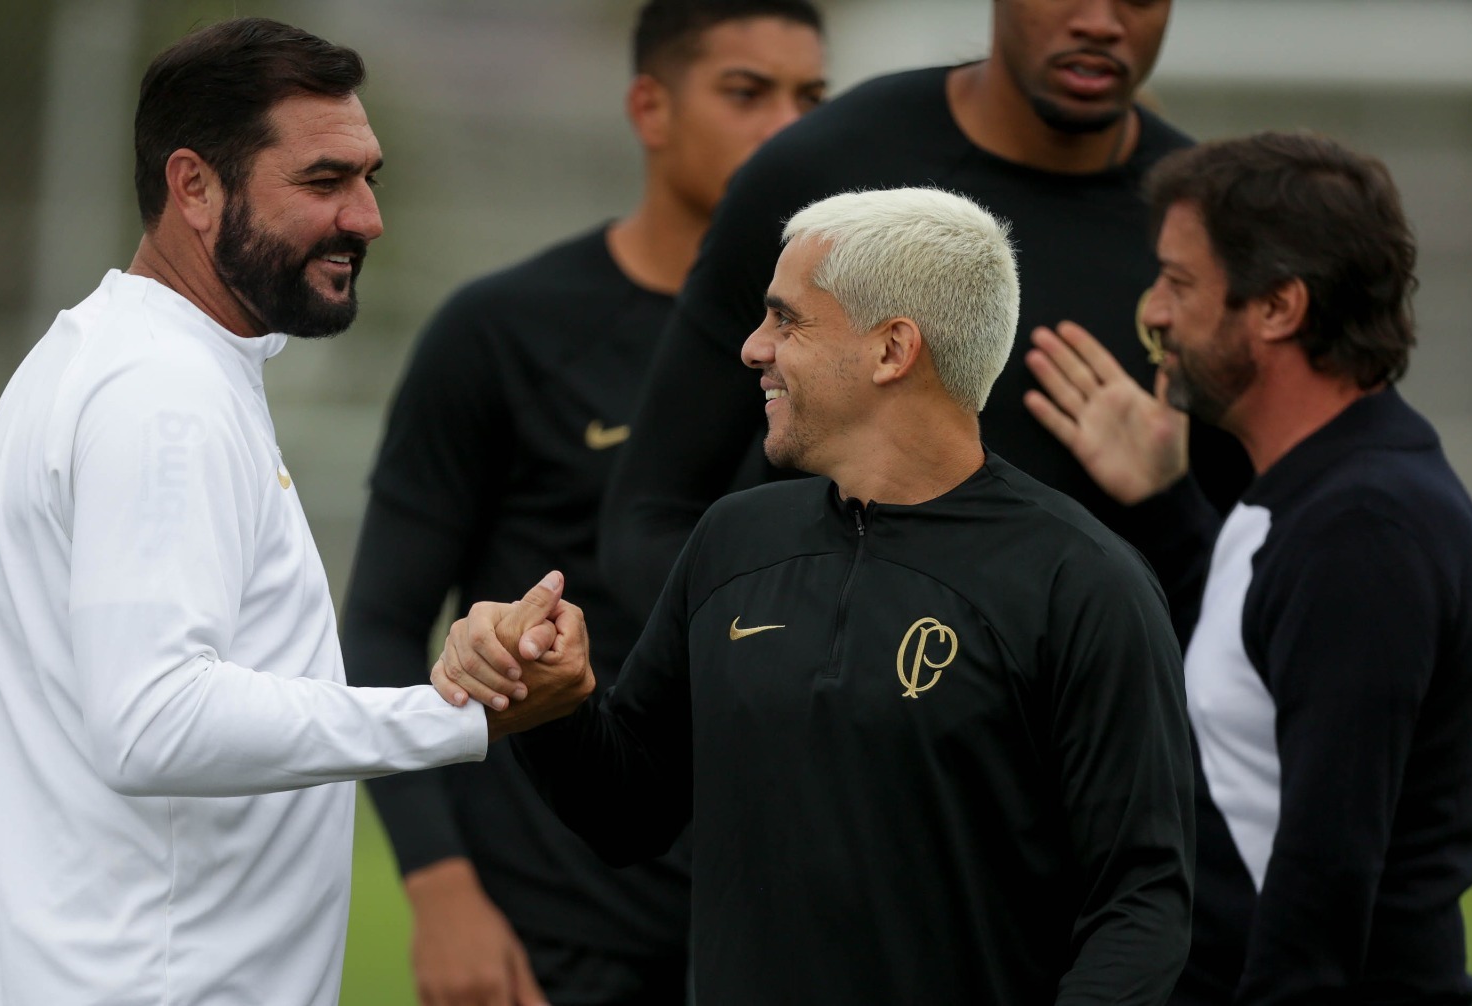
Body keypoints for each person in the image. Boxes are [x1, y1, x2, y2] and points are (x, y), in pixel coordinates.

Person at [435, 188, 1196, 1004]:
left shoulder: (1083, 582)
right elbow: (632, 815)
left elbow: (1141, 904)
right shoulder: (733, 541)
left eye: (786, 320)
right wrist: (551, 703)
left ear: (891, 349)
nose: (753, 348)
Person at [0, 19, 508, 1006]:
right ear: (193, 187)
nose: (367, 217)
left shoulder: (129, 359)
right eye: (324, 182)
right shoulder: (162, 394)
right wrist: (455, 714)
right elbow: (153, 720)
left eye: (369, 178)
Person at [341, 3, 825, 1003]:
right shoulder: (504, 329)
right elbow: (383, 625)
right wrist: (441, 891)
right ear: (649, 106)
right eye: (746, 92)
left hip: (781, 921)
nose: (787, 127)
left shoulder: (855, 351)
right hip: (555, 927)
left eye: (810, 99)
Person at [1022, 132, 1472, 1003]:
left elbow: (1325, 875)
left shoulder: (1364, 527)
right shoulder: (1311, 495)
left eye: (1179, 281)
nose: (1154, 311)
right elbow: (1253, 690)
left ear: (1278, 306)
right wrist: (1165, 507)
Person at [598, 0, 1250, 629]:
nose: (1101, 22)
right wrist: (787, 663)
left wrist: (1168, 504)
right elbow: (652, 517)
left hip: (1075, 730)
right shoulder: (818, 167)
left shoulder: (1208, 229)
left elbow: (1270, 586)